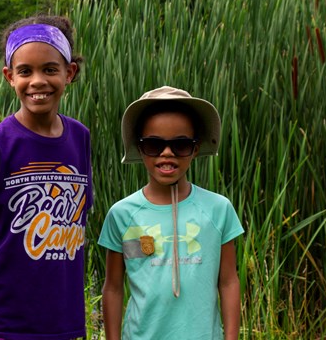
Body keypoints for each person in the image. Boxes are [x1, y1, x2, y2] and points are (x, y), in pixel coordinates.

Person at [0, 15, 93, 340]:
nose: (38, 81)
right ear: (9, 77)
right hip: (4, 321)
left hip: (63, 319)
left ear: (69, 73)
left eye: (50, 69)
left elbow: (77, 217)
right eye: (25, 71)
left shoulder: (80, 138)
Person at [99, 86, 244, 339]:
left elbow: (229, 281)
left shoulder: (219, 209)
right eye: (154, 145)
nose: (167, 154)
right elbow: (113, 287)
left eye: (181, 144)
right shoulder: (121, 214)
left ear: (196, 148)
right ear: (140, 148)